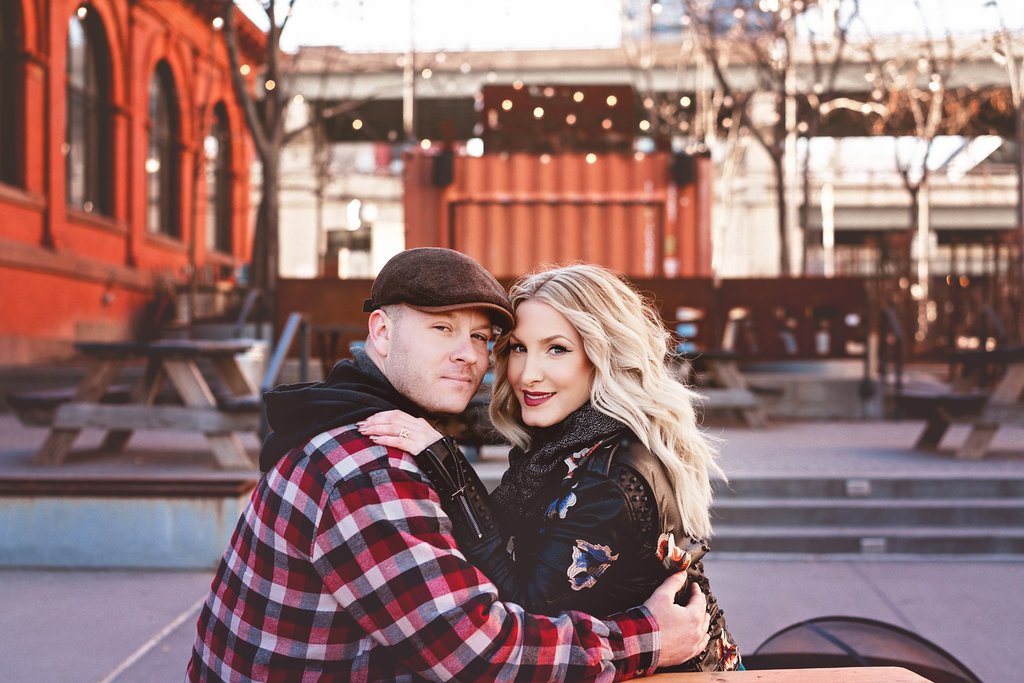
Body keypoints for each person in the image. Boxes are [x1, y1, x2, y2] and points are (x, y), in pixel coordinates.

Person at [187, 248, 713, 681]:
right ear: (382, 333)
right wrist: (651, 637)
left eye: (483, 338)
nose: (470, 354)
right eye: (442, 328)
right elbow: (480, 653)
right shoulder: (369, 468)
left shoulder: (345, 422)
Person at [359, 263, 741, 673]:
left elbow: (525, 609)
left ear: (603, 356)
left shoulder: (611, 474)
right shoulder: (559, 447)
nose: (528, 374)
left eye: (557, 349)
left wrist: (452, 473)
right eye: (518, 348)